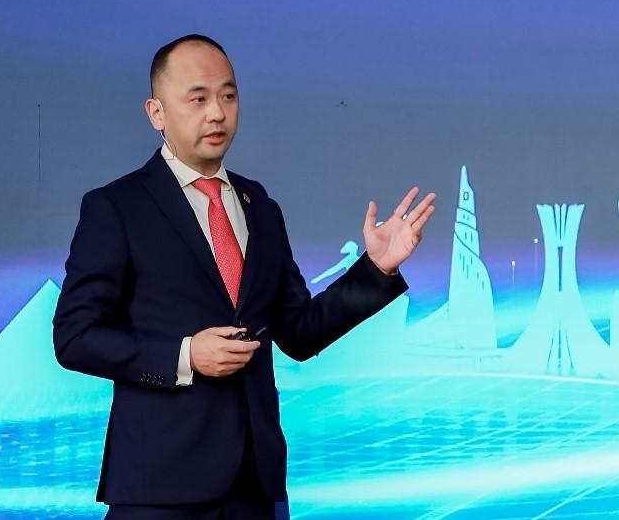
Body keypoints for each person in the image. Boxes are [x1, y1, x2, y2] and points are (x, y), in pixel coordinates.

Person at [52, 34, 434, 519]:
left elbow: (299, 331)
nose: (217, 113)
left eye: (228, 96)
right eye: (198, 99)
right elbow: (75, 337)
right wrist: (185, 355)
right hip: (158, 487)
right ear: (156, 113)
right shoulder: (117, 207)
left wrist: (376, 268)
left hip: (256, 484)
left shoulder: (261, 206)